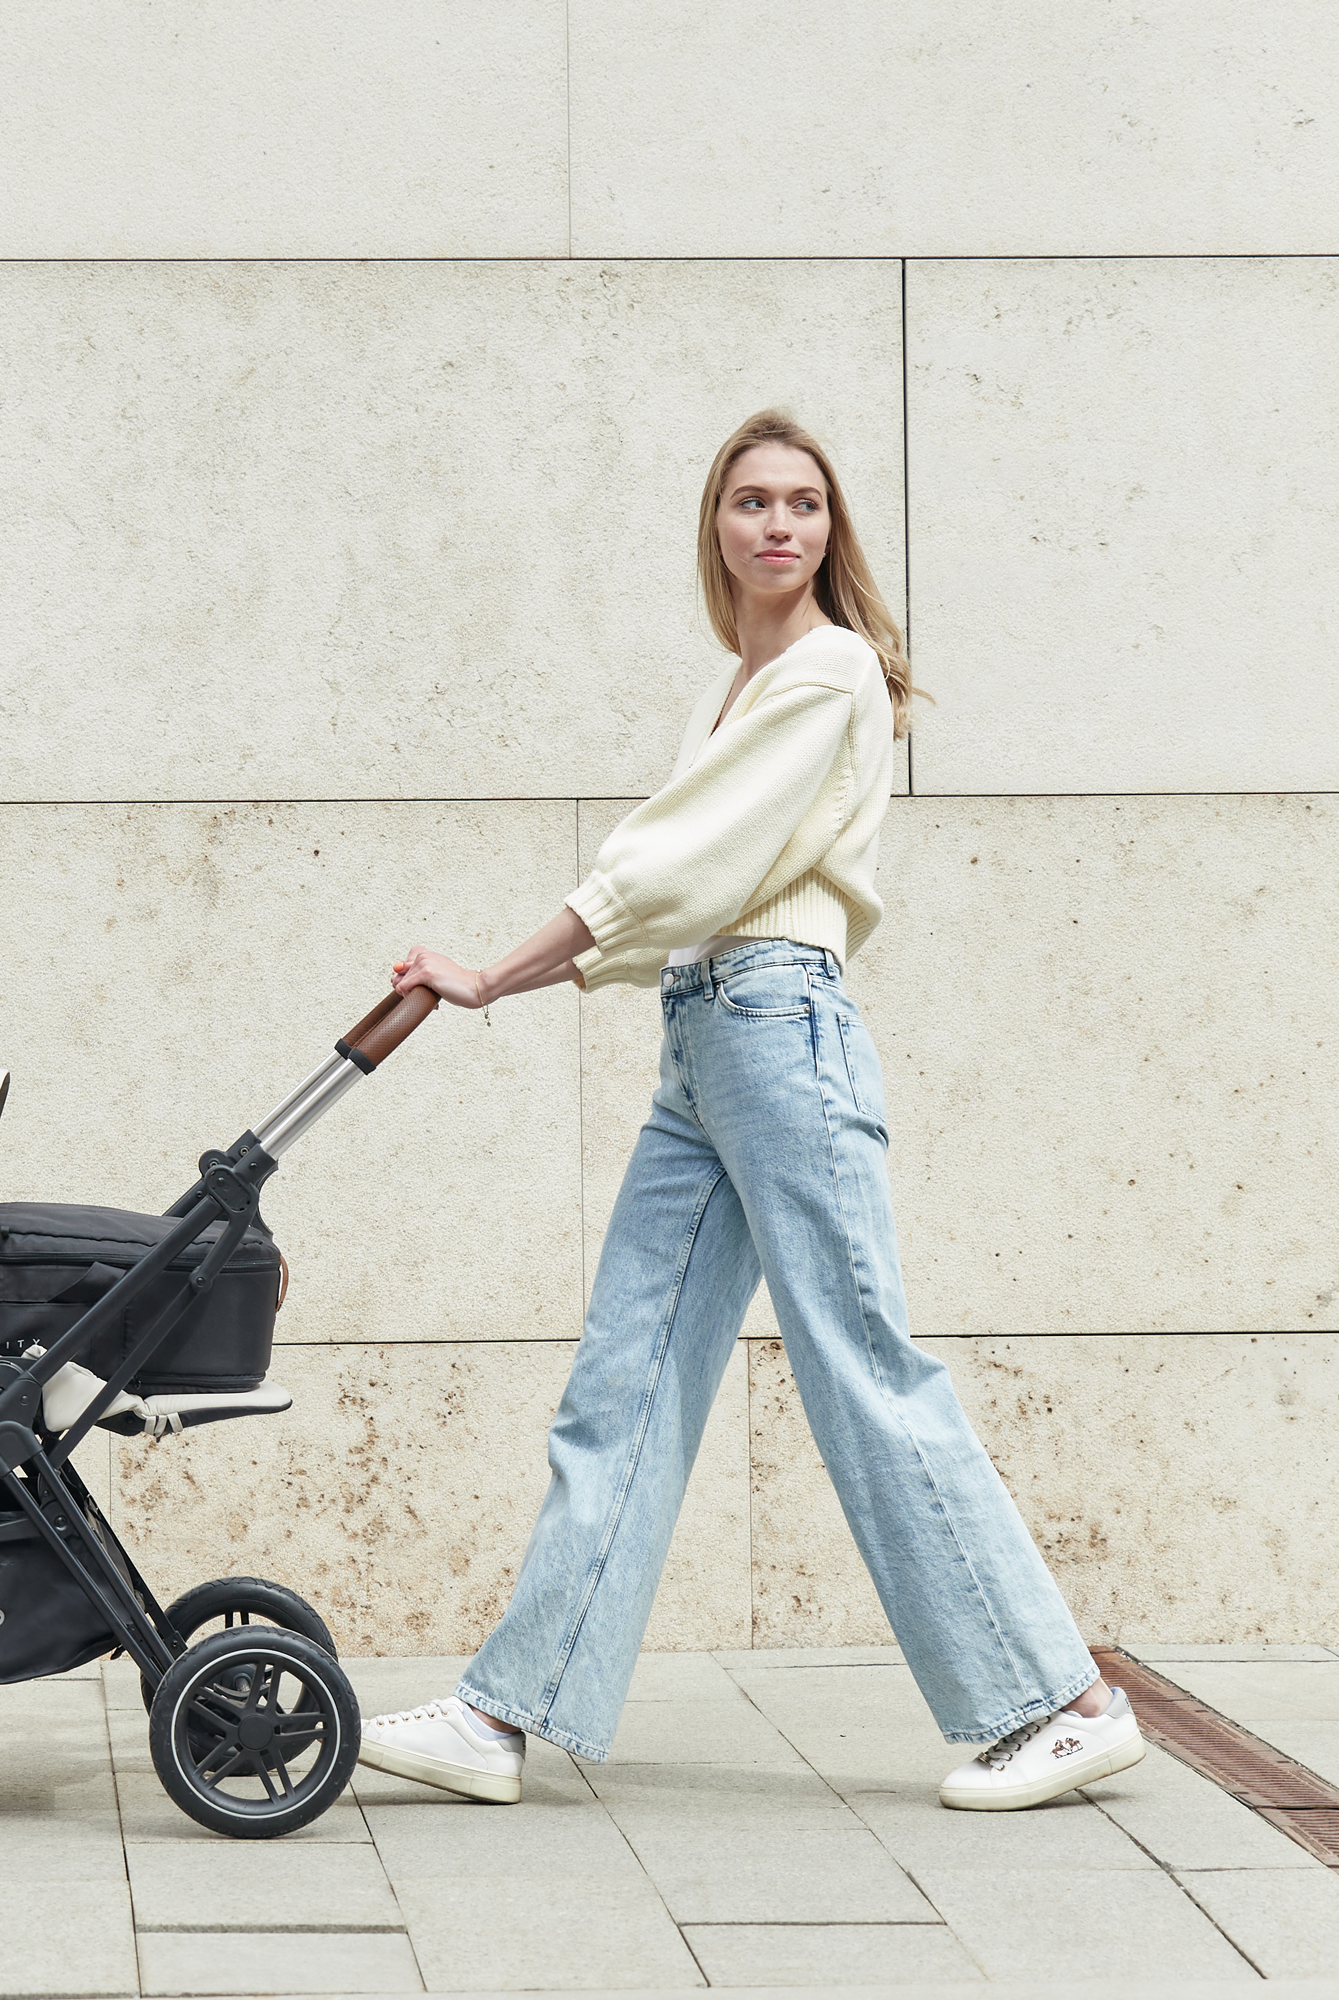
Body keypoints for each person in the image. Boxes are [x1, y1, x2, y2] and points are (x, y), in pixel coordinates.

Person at [360, 408, 1145, 1814]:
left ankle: (1063, 1702)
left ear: (829, 534)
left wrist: (495, 974)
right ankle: (502, 1714)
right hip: (706, 1039)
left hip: (780, 1026)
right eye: (750, 503)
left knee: (859, 1361)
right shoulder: (737, 685)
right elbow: (684, 891)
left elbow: (680, 865)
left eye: (803, 504)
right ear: (714, 530)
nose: (779, 525)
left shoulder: (833, 672)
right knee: (629, 1374)